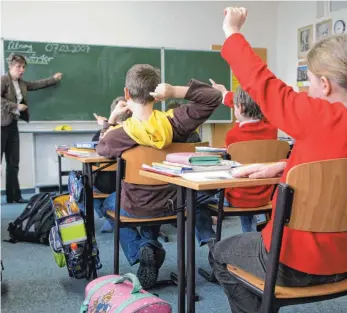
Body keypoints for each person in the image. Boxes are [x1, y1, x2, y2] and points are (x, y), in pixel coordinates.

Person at [209, 7, 347, 313]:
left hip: (294, 261)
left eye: (308, 82)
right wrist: (285, 166)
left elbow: (262, 83)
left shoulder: (317, 114)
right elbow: (336, 166)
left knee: (219, 254)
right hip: (344, 261)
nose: (308, 90)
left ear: (324, 84)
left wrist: (232, 32)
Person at [96, 64, 222, 288]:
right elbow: (213, 97)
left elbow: (101, 148)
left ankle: (143, 248)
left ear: (127, 93)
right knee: (151, 195)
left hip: (137, 205)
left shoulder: (119, 134)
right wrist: (174, 91)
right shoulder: (176, 122)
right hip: (175, 203)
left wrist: (112, 119)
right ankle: (149, 244)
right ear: (157, 93)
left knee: (108, 202)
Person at [211, 84, 277, 232]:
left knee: (202, 197)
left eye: (234, 106)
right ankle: (251, 236)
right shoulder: (272, 129)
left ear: (239, 108)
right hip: (265, 196)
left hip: (237, 197)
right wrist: (228, 95)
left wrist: (227, 95)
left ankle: (210, 237)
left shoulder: (233, 135)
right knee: (246, 185)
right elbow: (265, 114)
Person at [1, 54, 62, 203]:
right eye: (18, 67)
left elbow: (35, 84)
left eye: (23, 67)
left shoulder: (21, 83)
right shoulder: (3, 80)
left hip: (13, 125)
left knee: (13, 162)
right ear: (10, 67)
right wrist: (15, 106)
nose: (21, 70)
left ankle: (13, 196)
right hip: (1, 125)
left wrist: (53, 79)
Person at [92, 97, 132, 232]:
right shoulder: (139, 133)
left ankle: (109, 216)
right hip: (131, 184)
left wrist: (106, 125)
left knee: (80, 182)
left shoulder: (104, 136)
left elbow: (100, 149)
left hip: (106, 185)